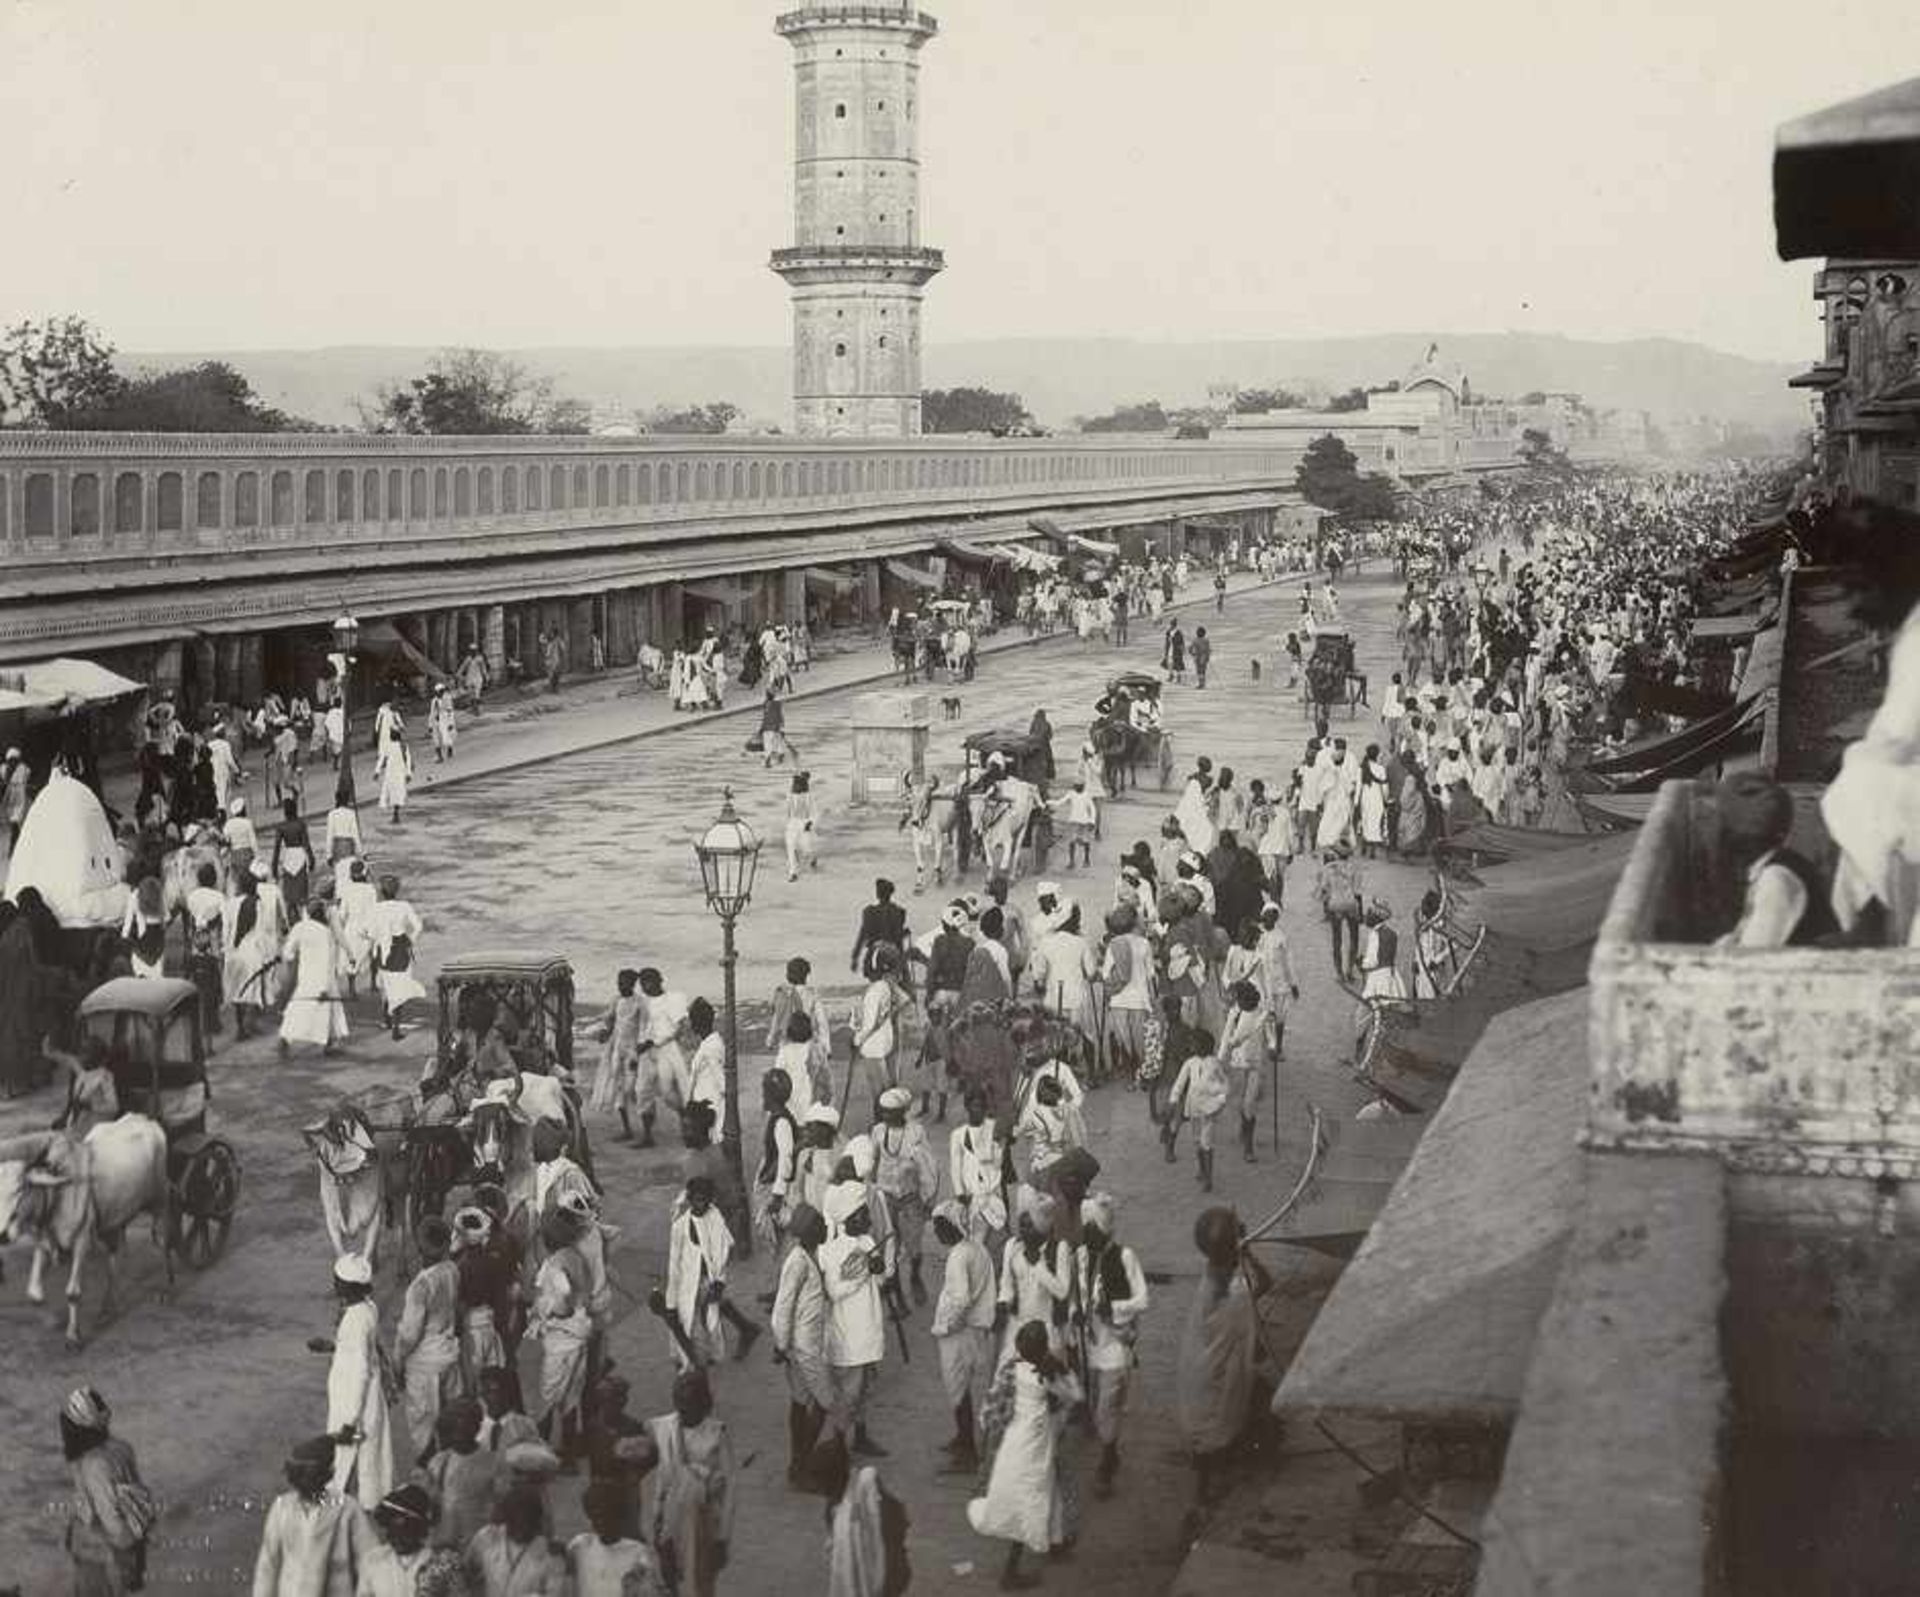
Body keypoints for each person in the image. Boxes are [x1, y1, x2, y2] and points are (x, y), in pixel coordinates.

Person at [968, 1319, 1083, 1589]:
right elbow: (1075, 1395)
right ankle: (1010, 1573)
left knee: (1036, 1495)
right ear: (1044, 1348)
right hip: (1040, 1445)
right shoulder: (1050, 1374)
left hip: (1016, 1444)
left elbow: (988, 1414)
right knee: (1035, 1499)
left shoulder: (1012, 1371)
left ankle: (1053, 1543)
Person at [1176, 1208, 1274, 1510]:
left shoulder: (1210, 1278)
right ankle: (1208, 1485)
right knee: (1221, 1419)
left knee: (1210, 1422)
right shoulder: (1236, 1292)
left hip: (1202, 1369)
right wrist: (1250, 1254)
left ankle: (1205, 1484)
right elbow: (1267, 1283)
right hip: (1222, 1368)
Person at [1076, 1193, 1149, 1499]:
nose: (1085, 1234)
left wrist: (1114, 1309)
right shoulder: (1082, 1256)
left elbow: (1142, 1300)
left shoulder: (1125, 1257)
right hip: (1091, 1343)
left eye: (1089, 1229)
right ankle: (1109, 1449)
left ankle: (1107, 1461)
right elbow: (1078, 1293)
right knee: (1097, 1405)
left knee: (1107, 1407)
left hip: (1116, 1344)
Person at [646, 1371, 736, 1597]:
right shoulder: (660, 1427)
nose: (684, 1409)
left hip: (704, 1522)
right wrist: (656, 1525)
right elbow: (654, 1482)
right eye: (680, 1402)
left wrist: (722, 1538)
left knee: (701, 1582)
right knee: (666, 1580)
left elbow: (729, 1490)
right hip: (667, 1522)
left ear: (704, 1404)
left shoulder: (717, 1434)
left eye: (690, 1403)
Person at [61, 1387, 155, 1597]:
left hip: (99, 1553)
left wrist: (121, 1550)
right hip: (130, 1540)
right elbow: (135, 1495)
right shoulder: (122, 1448)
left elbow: (108, 1515)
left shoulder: (91, 1464)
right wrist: (135, 1551)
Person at [250, 1435, 371, 1597]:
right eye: (299, 1482)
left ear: (327, 1476)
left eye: (311, 1480)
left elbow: (370, 1559)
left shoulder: (347, 1509)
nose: (304, 1487)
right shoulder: (282, 1508)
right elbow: (268, 1564)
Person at [930, 1197, 1000, 1473]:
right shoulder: (974, 1249)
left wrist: (946, 1326)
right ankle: (963, 1438)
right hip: (975, 1329)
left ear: (951, 1227)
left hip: (961, 1333)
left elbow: (960, 1298)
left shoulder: (959, 1256)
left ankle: (967, 1452)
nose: (935, 1233)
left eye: (939, 1227)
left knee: (957, 1388)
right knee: (963, 1388)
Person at [318, 1253, 393, 1509]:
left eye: (337, 1280)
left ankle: (343, 1507)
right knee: (368, 1453)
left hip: (354, 1398)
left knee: (346, 1454)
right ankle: (367, 1502)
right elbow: (368, 1348)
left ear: (347, 1286)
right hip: (367, 1395)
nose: (334, 1283)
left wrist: (351, 1420)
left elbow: (360, 1367)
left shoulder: (355, 1320)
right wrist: (332, 1346)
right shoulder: (367, 1307)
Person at [821, 1180, 889, 1459]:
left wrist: (879, 1271)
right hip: (848, 1334)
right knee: (848, 1395)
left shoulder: (868, 1242)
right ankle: (837, 1444)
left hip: (868, 1331)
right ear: (847, 1219)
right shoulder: (833, 1250)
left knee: (863, 1391)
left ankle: (860, 1437)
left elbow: (880, 1282)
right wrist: (862, 1275)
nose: (869, 1218)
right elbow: (834, 1292)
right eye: (862, 1214)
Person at [770, 1201, 836, 1485]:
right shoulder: (797, 1262)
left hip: (803, 1344)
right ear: (809, 1232)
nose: (824, 1228)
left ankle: (797, 1463)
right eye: (819, 1225)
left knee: (799, 1401)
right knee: (825, 1401)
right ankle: (801, 1465)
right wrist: (781, 1344)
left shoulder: (811, 1255)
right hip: (804, 1347)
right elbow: (782, 1308)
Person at [393, 1216, 463, 1470]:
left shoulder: (420, 1287)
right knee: (448, 1422)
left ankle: (428, 1475)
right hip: (448, 1354)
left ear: (420, 1247)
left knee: (423, 1428)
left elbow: (410, 1335)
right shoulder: (452, 1270)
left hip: (424, 1364)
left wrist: (398, 1362)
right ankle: (448, 1471)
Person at [664, 1174, 750, 1372]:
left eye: (705, 1200)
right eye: (697, 1200)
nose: (701, 1204)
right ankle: (686, 1360)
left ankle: (710, 1355)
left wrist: (719, 1282)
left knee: (710, 1320)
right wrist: (670, 1301)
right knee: (685, 1319)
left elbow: (722, 1250)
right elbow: (674, 1264)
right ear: (690, 1199)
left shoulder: (715, 1217)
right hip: (685, 1281)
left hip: (707, 1279)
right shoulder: (679, 1227)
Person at [872, 1086, 940, 1304]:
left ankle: (915, 1275)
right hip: (885, 1195)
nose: (885, 1116)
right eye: (883, 1111)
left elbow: (928, 1166)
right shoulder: (878, 1132)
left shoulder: (916, 1132)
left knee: (914, 1245)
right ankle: (896, 1288)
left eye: (890, 1111)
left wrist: (928, 1198)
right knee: (889, 1243)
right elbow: (872, 1163)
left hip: (910, 1197)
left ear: (902, 1111)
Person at [420, 1397, 500, 1555]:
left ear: (477, 1427)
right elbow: (431, 1506)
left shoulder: (493, 1463)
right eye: (455, 1426)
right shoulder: (439, 1462)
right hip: (445, 1544)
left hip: (480, 1545)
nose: (460, 1432)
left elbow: (499, 1507)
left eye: (466, 1426)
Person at [356, 1483, 466, 1597]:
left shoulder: (440, 1563)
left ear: (419, 1528)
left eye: (403, 1531)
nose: (394, 1538)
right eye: (390, 1530)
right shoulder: (373, 1561)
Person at [569, 1479, 668, 1597]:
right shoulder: (580, 1546)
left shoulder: (638, 1553)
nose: (600, 1522)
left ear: (619, 1516)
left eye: (607, 1515)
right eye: (595, 1516)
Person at [463, 1483, 565, 1596]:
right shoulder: (487, 1537)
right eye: (514, 1522)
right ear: (506, 1518)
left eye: (527, 1522)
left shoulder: (552, 1554)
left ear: (536, 1521)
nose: (521, 1528)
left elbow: (555, 1593)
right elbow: (466, 1573)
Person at [281, 898, 349, 1058]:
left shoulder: (300, 927)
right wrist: (324, 987)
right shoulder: (326, 934)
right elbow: (328, 961)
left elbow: (288, 951)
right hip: (323, 978)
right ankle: (329, 1043)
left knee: (297, 1008)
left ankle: (285, 1039)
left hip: (305, 976)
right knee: (330, 1011)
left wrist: (292, 961)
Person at [591, 968, 652, 1143]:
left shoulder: (640, 1003)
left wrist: (637, 1056)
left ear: (632, 984)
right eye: (618, 982)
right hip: (617, 1050)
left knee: (636, 1091)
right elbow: (609, 1023)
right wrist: (604, 1033)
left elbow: (643, 1028)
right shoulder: (616, 1001)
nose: (620, 986)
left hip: (633, 1051)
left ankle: (647, 1134)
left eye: (623, 983)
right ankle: (628, 1130)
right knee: (619, 1090)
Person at [1217, 980, 1274, 1164]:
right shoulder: (1234, 1015)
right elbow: (1227, 1039)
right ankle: (1244, 1128)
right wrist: (1220, 1059)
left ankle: (1249, 1146)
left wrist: (1273, 1046)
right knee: (1240, 1103)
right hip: (1238, 1064)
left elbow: (1270, 1037)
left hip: (1256, 1064)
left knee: (1249, 1104)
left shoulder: (1262, 1013)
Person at [1164, 1027, 1227, 1191]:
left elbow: (1224, 1083)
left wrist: (1221, 1099)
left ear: (1204, 1045)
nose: (1191, 1046)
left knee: (1207, 1142)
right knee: (1197, 1140)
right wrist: (1174, 1099)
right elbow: (1180, 1082)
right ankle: (1202, 1169)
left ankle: (1208, 1178)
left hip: (1209, 1108)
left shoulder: (1214, 1064)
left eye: (1194, 1043)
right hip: (1193, 1107)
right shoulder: (1190, 1063)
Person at [851, 947, 910, 1123]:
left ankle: (881, 1125)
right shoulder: (887, 986)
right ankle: (889, 1121)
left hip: (872, 1046)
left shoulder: (876, 990)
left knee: (878, 1092)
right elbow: (904, 1001)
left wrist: (857, 1039)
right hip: (886, 1040)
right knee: (888, 1087)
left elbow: (869, 1024)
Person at [849, 879, 909, 982]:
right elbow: (898, 939)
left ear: (877, 894)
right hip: (892, 953)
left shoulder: (869, 912)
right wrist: (904, 965)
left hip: (875, 954)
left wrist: (855, 957)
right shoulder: (899, 912)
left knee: (875, 982)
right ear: (890, 894)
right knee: (894, 984)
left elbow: (862, 936)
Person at [275, 796, 315, 916]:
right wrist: (311, 859)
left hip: (288, 857)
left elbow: (277, 848)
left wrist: (274, 866)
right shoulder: (300, 824)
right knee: (301, 889)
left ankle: (288, 916)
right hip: (299, 856)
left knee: (289, 890)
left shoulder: (281, 827)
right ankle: (303, 915)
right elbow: (306, 844)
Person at [784, 770, 819, 882]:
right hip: (792, 824)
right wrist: (788, 823)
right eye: (794, 785)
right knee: (791, 846)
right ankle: (793, 872)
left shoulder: (809, 797)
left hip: (804, 823)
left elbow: (815, 813)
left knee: (807, 848)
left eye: (797, 785)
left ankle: (813, 857)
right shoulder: (790, 796)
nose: (795, 787)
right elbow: (787, 812)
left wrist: (810, 823)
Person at [376, 735, 413, 826]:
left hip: (393, 773)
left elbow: (382, 759)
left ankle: (395, 814)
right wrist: (408, 773)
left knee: (394, 793)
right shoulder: (402, 746)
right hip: (397, 772)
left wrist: (377, 771)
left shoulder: (393, 745)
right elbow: (408, 760)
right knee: (397, 793)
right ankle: (395, 813)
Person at [759, 687, 795, 768]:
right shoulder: (777, 704)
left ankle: (768, 758)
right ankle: (780, 755)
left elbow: (765, 717)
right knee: (778, 741)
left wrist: (761, 727)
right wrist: (782, 727)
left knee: (768, 744)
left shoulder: (766, 704)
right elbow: (780, 716)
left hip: (767, 727)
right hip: (775, 727)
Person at [1192, 625, 1213, 689]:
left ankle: (1201, 684)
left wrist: (1192, 653)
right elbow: (1208, 650)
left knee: (1199, 671)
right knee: (1203, 671)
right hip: (1204, 658)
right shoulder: (1206, 641)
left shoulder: (1195, 640)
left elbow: (1191, 649)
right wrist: (1208, 657)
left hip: (1198, 657)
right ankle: (1202, 683)